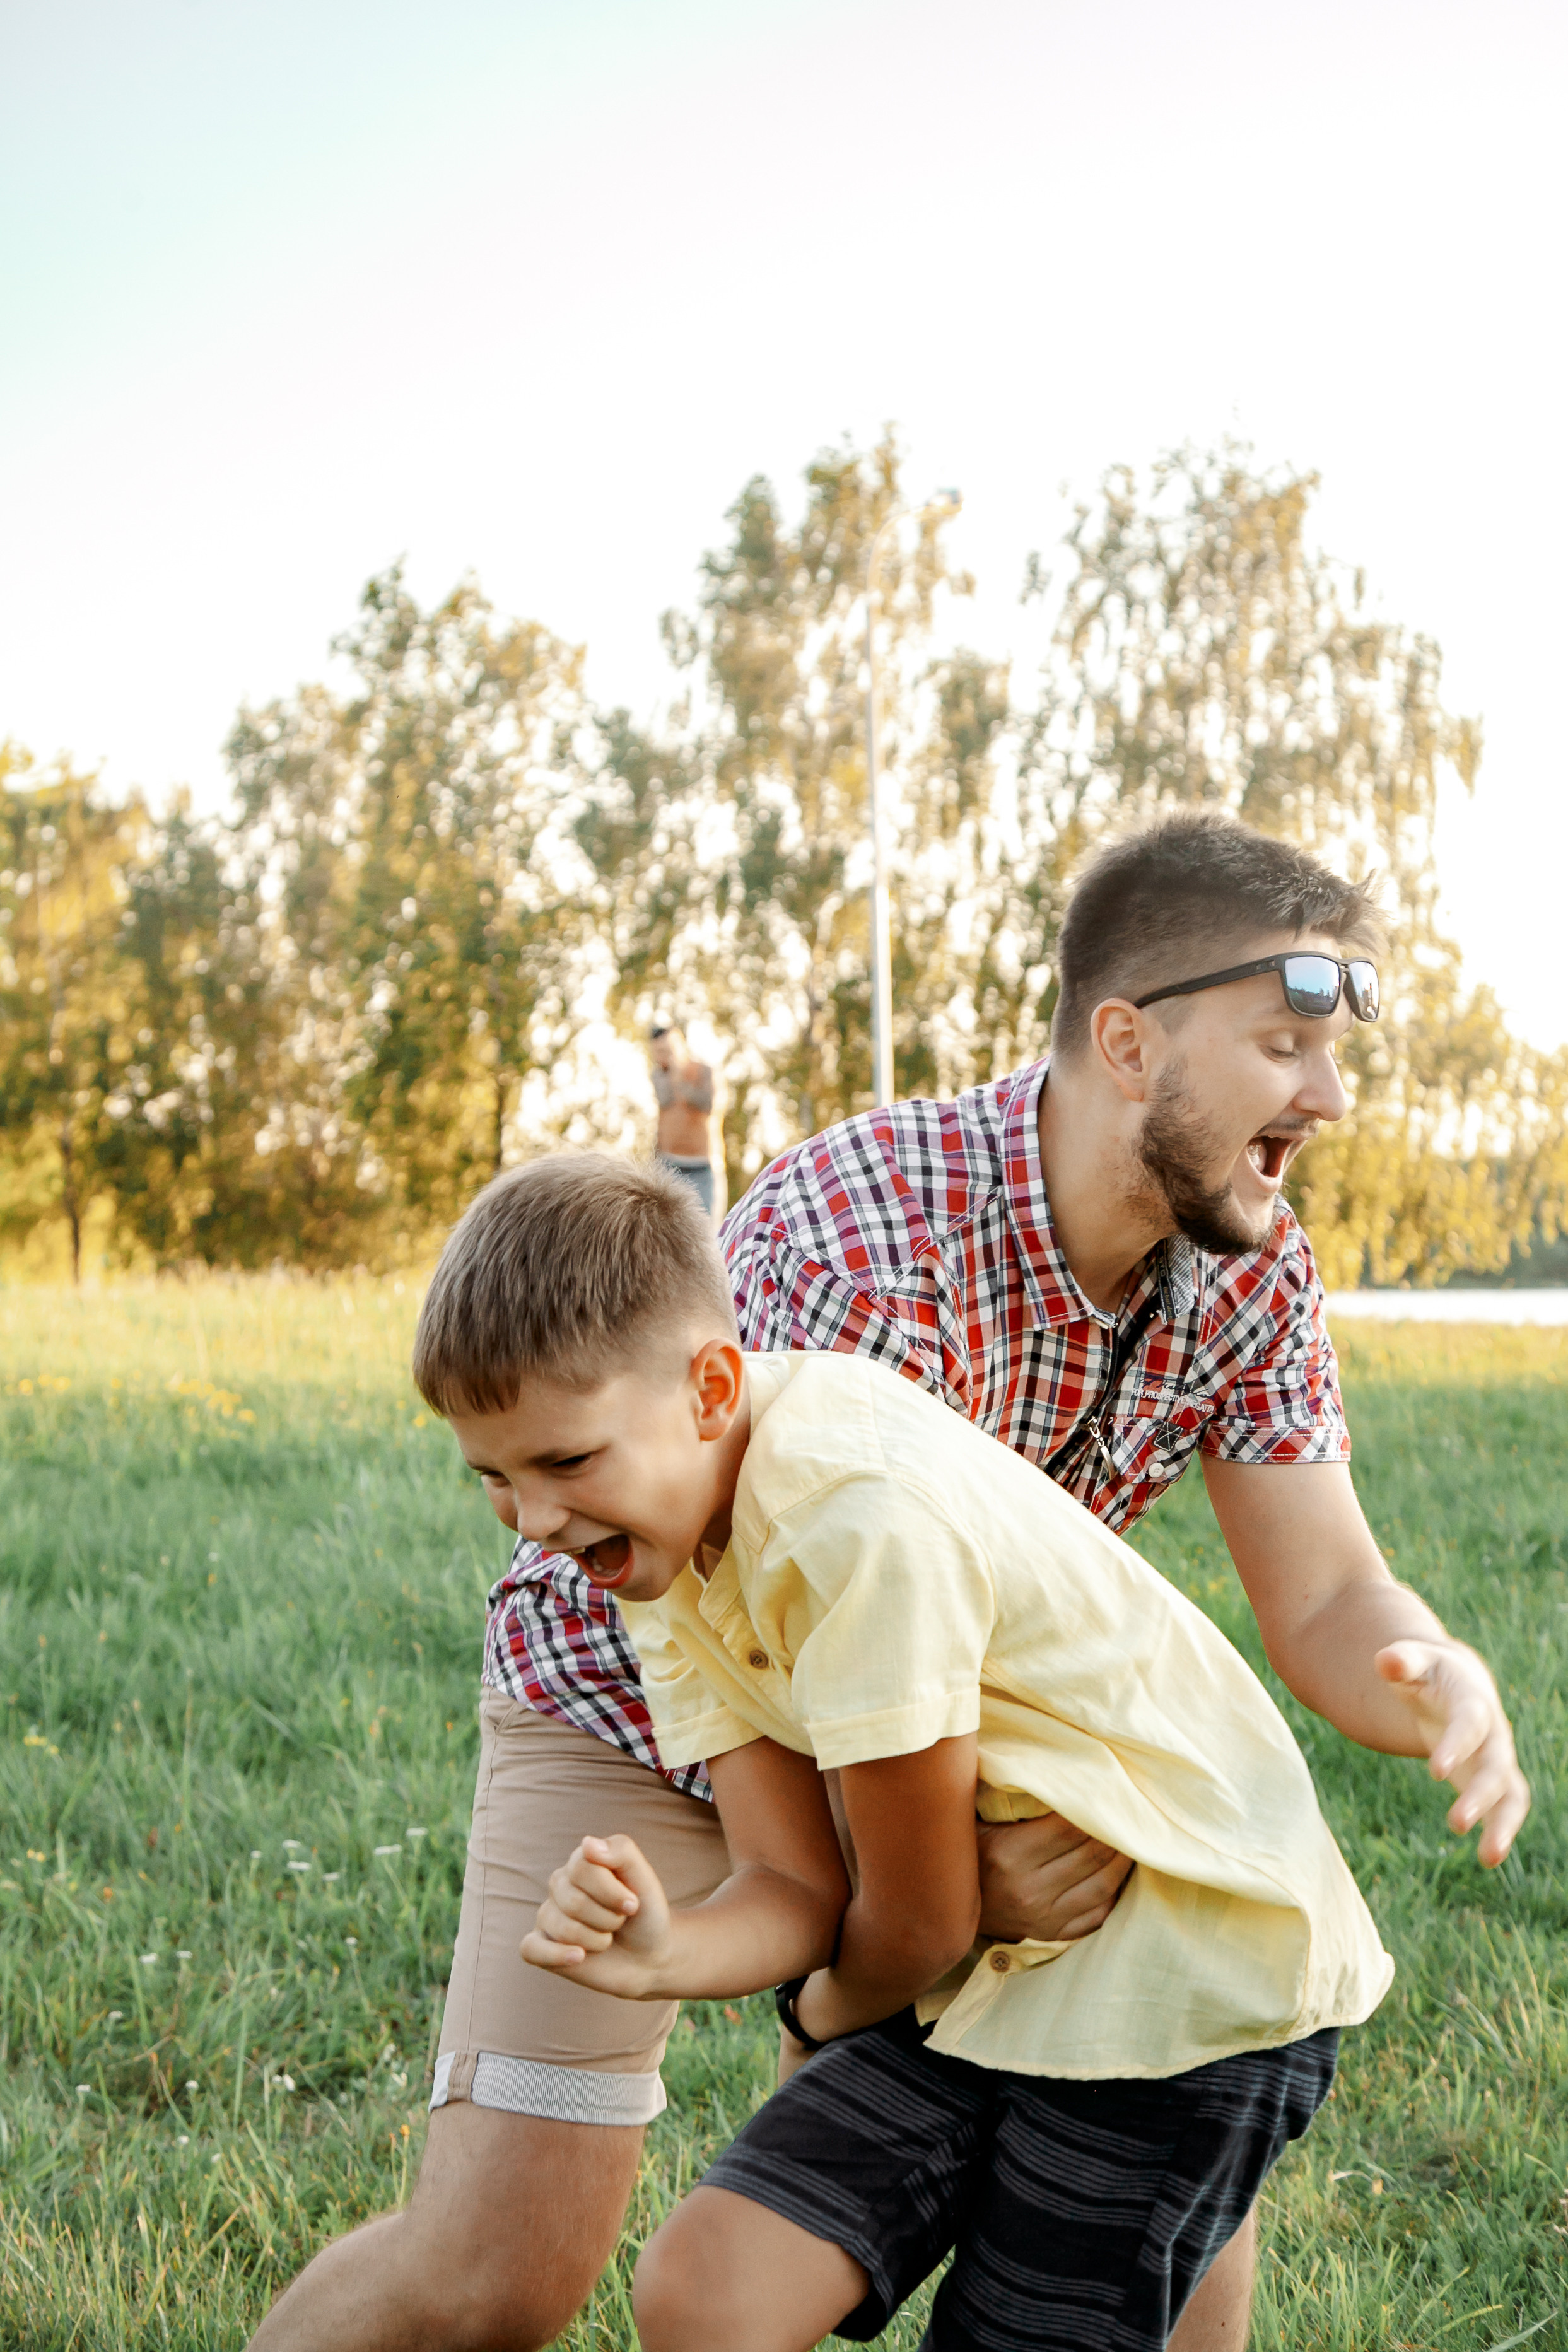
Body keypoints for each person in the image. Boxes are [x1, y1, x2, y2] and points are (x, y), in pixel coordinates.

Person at [247, 810, 1528, 2352]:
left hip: (927, 1751)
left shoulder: (1250, 1262)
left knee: (1171, 2135)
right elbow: (796, 1706)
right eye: (1282, 1045)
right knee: (493, 2273)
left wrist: (1436, 1668)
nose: (1325, 1095)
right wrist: (908, 1926)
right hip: (649, 1685)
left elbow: (1328, 1600)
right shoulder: (869, 1237)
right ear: (1127, 1041)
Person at [476, 1150, 1393, 2348]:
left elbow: (915, 1920)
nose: (534, 1522)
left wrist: (812, 2017)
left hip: (1175, 1975)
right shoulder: (648, 1534)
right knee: (711, 2286)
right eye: (493, 1474)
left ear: (709, 1389)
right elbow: (798, 1879)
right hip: (982, 1961)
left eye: (564, 1461)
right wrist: (668, 1948)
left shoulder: (849, 1513)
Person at [650, 1020, 724, 1222]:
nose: (662, 1057)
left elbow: (708, 1106)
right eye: (658, 1052)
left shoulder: (705, 1071)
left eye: (667, 1050)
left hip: (702, 1165)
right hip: (669, 1165)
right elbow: (665, 1101)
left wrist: (680, 1076)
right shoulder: (659, 1075)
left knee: (706, 1231)